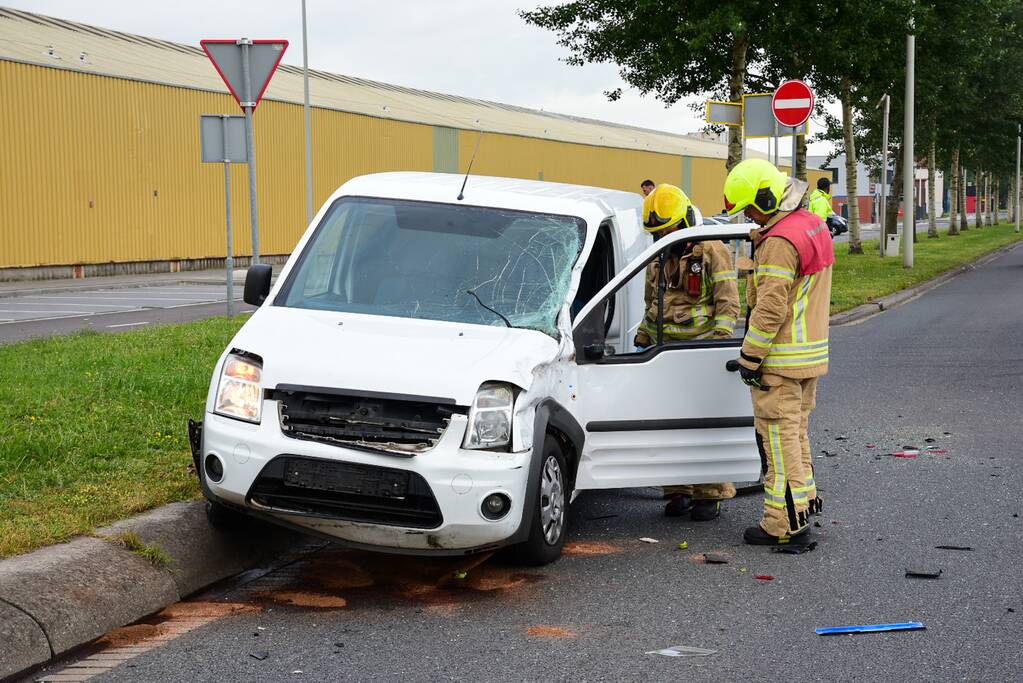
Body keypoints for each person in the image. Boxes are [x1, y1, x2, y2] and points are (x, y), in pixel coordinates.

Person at [722, 159, 833, 546]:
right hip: (808, 355)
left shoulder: (779, 242)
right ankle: (804, 508)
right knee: (796, 436)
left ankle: (783, 525)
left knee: (779, 443)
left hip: (781, 359)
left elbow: (771, 308)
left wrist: (750, 358)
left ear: (767, 197)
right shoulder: (809, 224)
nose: (749, 215)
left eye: (750, 207)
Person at [636, 183, 741, 520]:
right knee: (669, 425)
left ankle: (708, 495)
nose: (661, 235)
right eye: (656, 232)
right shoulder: (660, 253)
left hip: (701, 352)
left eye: (666, 229)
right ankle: (677, 491)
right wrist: (642, 335)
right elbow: (652, 301)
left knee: (703, 425)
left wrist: (719, 341)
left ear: (682, 222)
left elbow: (728, 299)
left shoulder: (711, 250)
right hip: (664, 354)